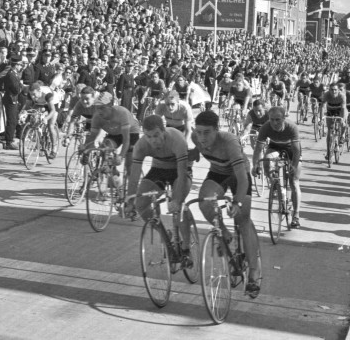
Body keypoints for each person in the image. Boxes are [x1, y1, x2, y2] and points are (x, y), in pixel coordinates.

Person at [192, 110, 261, 298]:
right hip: (218, 172)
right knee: (204, 202)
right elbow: (197, 151)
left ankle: (254, 273)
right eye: (199, 132)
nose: (202, 137)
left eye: (207, 132)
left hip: (239, 174)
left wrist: (237, 202)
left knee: (242, 219)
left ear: (217, 130)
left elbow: (242, 178)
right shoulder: (196, 137)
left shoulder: (229, 142)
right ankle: (224, 233)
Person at [125, 115, 194, 261]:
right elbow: (134, 176)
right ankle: (164, 236)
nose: (153, 140)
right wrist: (130, 200)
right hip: (159, 170)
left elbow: (182, 175)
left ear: (164, 131)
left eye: (156, 135)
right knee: (140, 203)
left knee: (178, 206)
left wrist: (176, 199)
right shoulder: (141, 145)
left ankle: (186, 248)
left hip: (179, 170)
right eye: (149, 136)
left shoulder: (177, 139)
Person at [253, 106, 303, 228]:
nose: (274, 123)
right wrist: (255, 165)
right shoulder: (265, 127)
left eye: (278, 119)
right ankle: (275, 185)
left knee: (294, 181)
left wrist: (294, 166)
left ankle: (295, 216)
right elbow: (258, 149)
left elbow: (297, 151)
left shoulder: (291, 127)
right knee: (266, 160)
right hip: (275, 146)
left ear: (284, 118)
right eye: (272, 119)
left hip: (291, 149)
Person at [321, 82, 349, 159]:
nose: (334, 92)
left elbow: (343, 108)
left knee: (343, 123)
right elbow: (322, 106)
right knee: (329, 134)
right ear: (329, 90)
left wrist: (342, 120)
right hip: (330, 111)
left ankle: (342, 136)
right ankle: (328, 153)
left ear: (338, 90)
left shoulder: (342, 96)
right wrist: (321, 118)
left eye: (335, 90)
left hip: (340, 111)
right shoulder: (326, 95)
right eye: (332, 90)